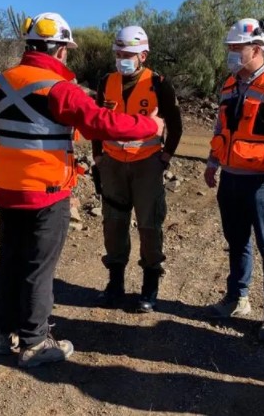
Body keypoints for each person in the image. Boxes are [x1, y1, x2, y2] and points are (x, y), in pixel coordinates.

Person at [0, 12, 165, 368]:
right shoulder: (59, 89)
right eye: (67, 50)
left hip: (9, 191)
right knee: (38, 268)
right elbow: (103, 123)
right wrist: (151, 124)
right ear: (58, 51)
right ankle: (35, 342)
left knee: (10, 262)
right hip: (47, 194)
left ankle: (3, 334)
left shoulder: (0, 83)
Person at [203, 17, 264, 343]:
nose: (232, 53)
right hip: (230, 178)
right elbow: (222, 129)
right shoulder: (230, 84)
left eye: (237, 48)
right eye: (230, 48)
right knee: (236, 242)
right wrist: (212, 162)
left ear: (258, 48)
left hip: (263, 180)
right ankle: (237, 298)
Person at [91, 26, 183, 313]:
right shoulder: (107, 81)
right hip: (113, 164)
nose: (122, 58)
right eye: (118, 53)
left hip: (146, 165)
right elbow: (96, 121)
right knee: (113, 223)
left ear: (143, 55)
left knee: (149, 225)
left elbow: (176, 125)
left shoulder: (158, 83)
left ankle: (149, 287)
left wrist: (165, 157)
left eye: (128, 54)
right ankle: (115, 283)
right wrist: (97, 157)